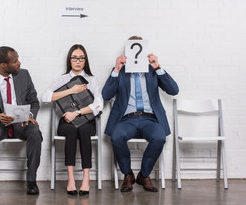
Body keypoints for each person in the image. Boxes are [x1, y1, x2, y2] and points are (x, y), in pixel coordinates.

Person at [102, 36, 179, 192]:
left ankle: (143, 175)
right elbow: (105, 95)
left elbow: (173, 90)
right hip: (126, 119)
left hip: (150, 119)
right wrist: (116, 69)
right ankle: (128, 174)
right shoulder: (120, 71)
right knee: (116, 137)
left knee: (159, 137)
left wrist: (158, 67)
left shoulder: (153, 70)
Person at [0, 46, 42, 195]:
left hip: (21, 123)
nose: (19, 63)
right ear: (3, 65)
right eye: (15, 61)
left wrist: (30, 115)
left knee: (35, 131)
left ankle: (31, 180)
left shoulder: (24, 75)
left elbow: (34, 101)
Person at [42, 44, 103, 196]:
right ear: (70, 60)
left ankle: (86, 179)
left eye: (81, 58)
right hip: (66, 121)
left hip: (86, 119)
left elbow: (99, 105)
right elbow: (45, 97)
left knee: (83, 131)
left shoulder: (91, 79)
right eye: (74, 58)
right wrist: (71, 90)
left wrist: (76, 113)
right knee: (70, 130)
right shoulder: (62, 79)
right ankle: (70, 179)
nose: (78, 61)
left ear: (85, 60)